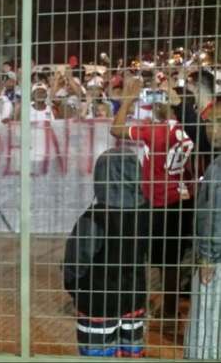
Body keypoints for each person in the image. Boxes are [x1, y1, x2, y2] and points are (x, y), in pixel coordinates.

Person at [110, 76, 194, 324]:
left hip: (160, 201)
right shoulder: (188, 129)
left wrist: (127, 100)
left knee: (160, 259)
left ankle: (167, 310)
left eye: (159, 97)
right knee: (173, 258)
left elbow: (116, 129)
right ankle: (170, 305)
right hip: (182, 197)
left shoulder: (156, 131)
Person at [63, 149, 149, 357]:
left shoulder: (94, 217)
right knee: (131, 348)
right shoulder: (145, 211)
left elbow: (76, 262)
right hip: (134, 297)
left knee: (98, 351)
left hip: (98, 301)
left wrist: (75, 289)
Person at [184, 103, 221, 359]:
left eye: (218, 122)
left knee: (207, 325)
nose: (211, 129)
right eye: (210, 122)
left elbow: (214, 215)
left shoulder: (218, 169)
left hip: (216, 262)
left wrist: (207, 256)